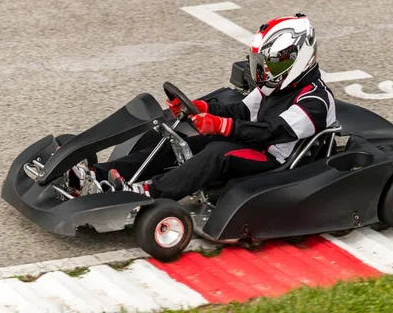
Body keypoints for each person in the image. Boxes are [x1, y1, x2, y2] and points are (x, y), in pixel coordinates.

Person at [70, 14, 337, 200]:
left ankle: (148, 193)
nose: (264, 70)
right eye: (261, 63)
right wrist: (201, 107)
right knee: (182, 142)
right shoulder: (277, 87)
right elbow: (240, 111)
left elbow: (269, 131)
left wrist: (221, 127)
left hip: (277, 159)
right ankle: (96, 175)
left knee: (217, 151)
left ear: (298, 59)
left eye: (272, 64)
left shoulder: (315, 102)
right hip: (252, 146)